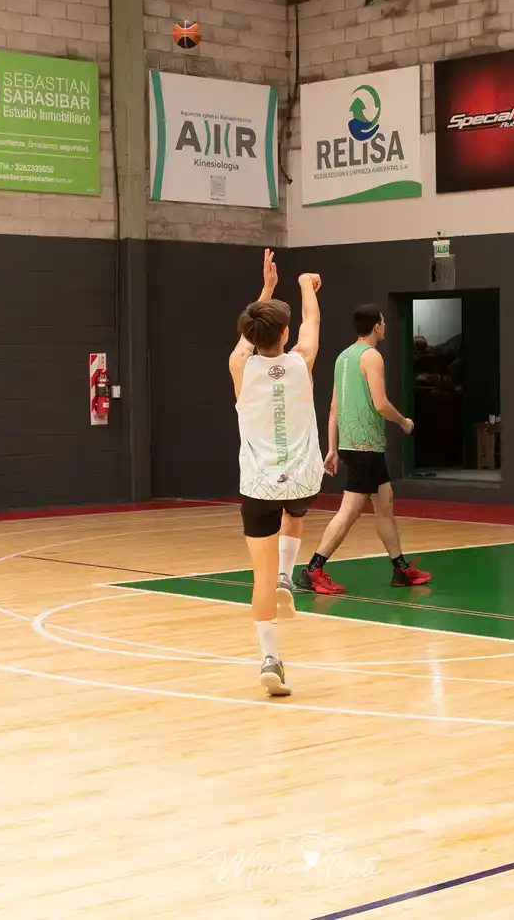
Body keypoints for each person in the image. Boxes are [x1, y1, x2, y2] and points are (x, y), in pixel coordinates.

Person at [230, 249, 324, 697]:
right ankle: (290, 572)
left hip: (258, 486)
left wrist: (266, 290)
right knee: (298, 511)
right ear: (284, 334)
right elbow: (312, 325)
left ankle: (270, 658)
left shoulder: (240, 369)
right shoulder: (301, 361)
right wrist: (306, 284)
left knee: (259, 581)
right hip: (303, 478)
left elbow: (249, 339)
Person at [295, 304, 432, 593]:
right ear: (377, 327)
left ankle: (400, 569)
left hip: (354, 447)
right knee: (350, 511)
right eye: (383, 322)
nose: (384, 326)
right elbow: (381, 404)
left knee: (384, 505)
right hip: (365, 449)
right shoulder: (372, 357)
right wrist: (405, 422)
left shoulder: (343, 357)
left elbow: (333, 407)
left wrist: (332, 448)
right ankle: (313, 569)